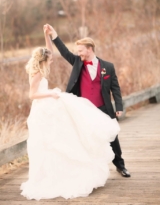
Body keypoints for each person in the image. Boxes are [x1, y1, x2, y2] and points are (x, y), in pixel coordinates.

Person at [20, 25, 120, 200]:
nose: (52, 61)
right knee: (50, 141)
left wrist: (48, 36)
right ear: (43, 60)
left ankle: (118, 164)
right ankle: (53, 174)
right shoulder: (36, 72)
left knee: (62, 135)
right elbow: (32, 94)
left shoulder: (43, 63)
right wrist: (51, 93)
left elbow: (49, 51)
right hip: (42, 109)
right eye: (49, 60)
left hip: (50, 104)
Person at [46, 24, 131, 178]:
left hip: (104, 108)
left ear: (89, 49)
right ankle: (90, 172)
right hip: (84, 110)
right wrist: (54, 34)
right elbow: (64, 51)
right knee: (86, 140)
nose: (78, 53)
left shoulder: (108, 67)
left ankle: (121, 166)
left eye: (80, 50)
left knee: (113, 138)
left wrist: (119, 106)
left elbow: (115, 89)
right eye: (77, 51)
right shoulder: (77, 62)